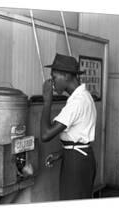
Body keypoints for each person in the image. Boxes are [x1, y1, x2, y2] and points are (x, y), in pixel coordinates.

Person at [40, 53, 97, 200]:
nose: (52, 82)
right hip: (78, 157)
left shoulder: (77, 102)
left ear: (66, 76)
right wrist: (61, 153)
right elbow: (78, 137)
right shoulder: (83, 96)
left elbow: (45, 135)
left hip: (77, 163)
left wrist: (47, 101)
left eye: (54, 77)